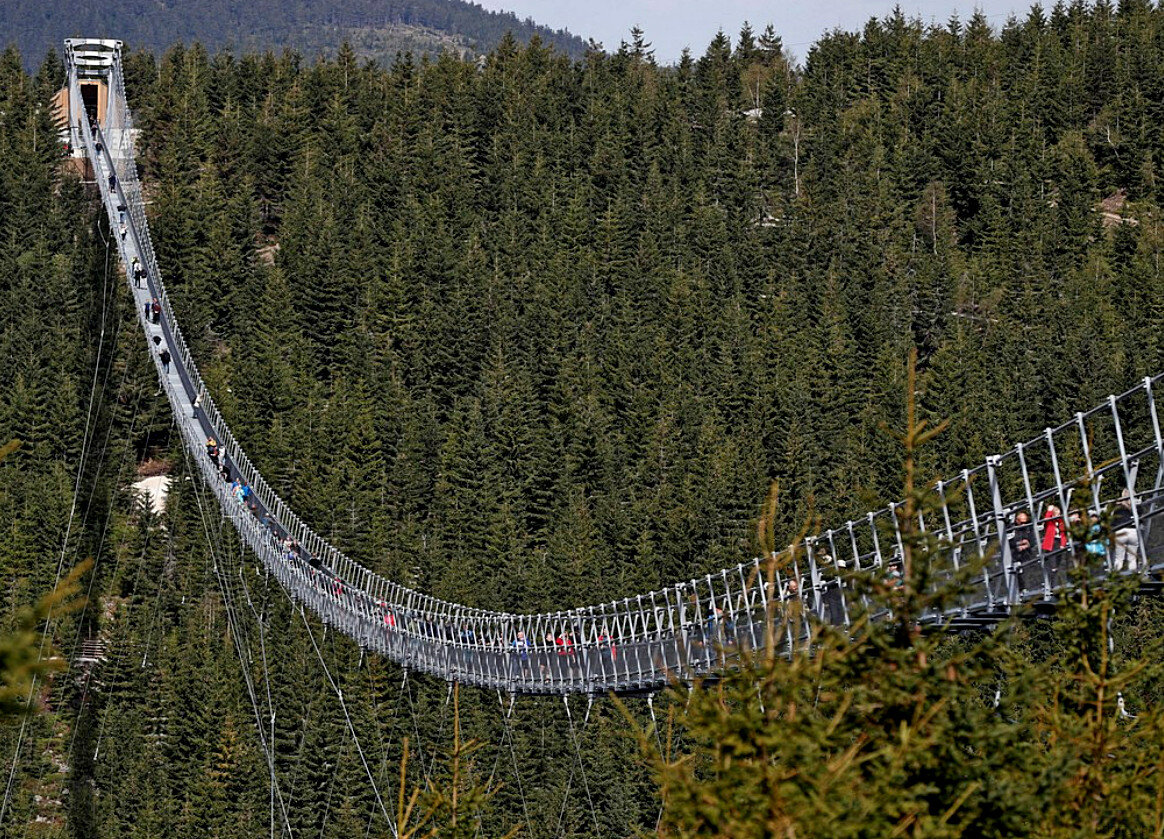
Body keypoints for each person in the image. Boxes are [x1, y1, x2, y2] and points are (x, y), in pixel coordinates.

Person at [1112, 490, 1140, 573]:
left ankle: (1116, 574)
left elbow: (1113, 521)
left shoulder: (1118, 508)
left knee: (1119, 558)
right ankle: (1133, 573)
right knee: (1132, 557)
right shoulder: (1136, 507)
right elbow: (1141, 518)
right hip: (1133, 531)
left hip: (1120, 531)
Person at [1009, 511, 1036, 593]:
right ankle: (1021, 589)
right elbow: (1008, 542)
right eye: (1022, 522)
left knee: (1027, 570)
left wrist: (1027, 544)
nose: (1024, 524)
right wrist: (1018, 545)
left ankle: (1027, 588)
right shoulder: (1012, 528)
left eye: (1026, 522)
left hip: (1026, 554)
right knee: (1018, 571)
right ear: (1017, 521)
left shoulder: (1028, 528)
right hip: (1015, 554)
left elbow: (1033, 541)